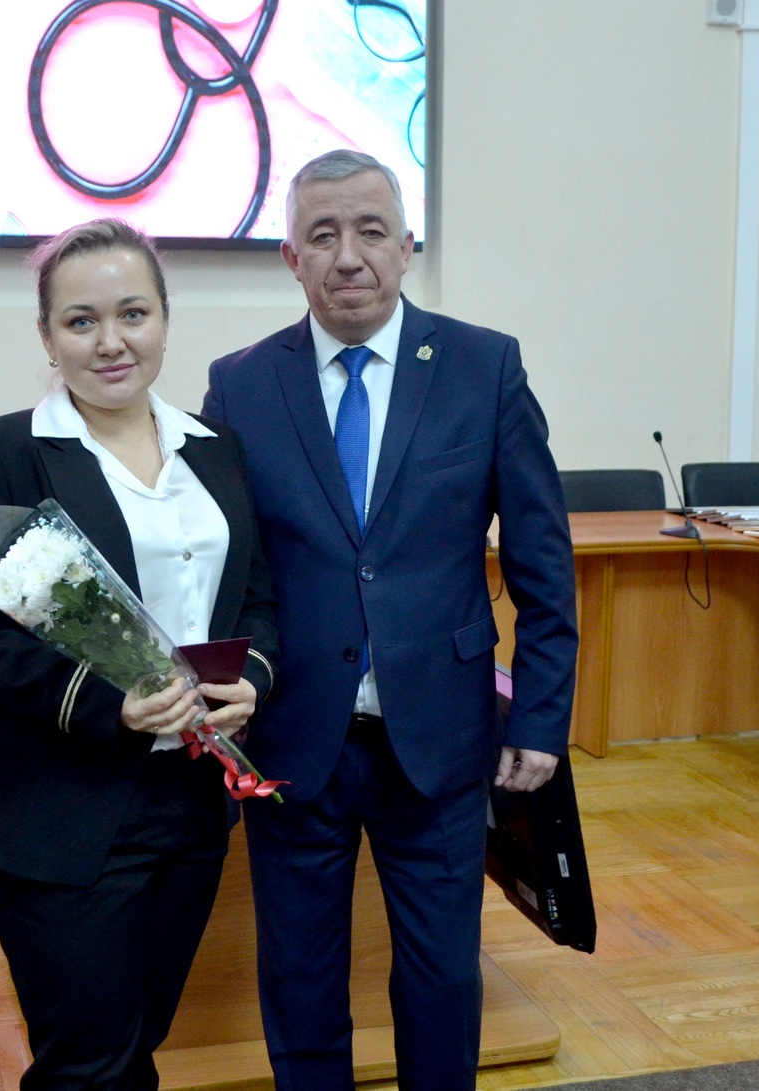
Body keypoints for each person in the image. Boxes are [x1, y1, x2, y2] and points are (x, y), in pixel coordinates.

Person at [202, 150, 578, 1091]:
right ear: (291, 257)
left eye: (371, 230)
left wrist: (541, 717)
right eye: (322, 234)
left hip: (441, 738)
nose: (348, 255)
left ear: (408, 246)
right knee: (300, 978)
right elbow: (223, 570)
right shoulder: (239, 385)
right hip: (295, 740)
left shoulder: (485, 366)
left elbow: (542, 560)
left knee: (443, 979)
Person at [0, 218, 278, 1091]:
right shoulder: (1, 452)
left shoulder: (216, 450)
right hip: (60, 808)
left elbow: (260, 600)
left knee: (137, 1039)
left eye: (132, 314)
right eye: (81, 321)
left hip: (192, 803)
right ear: (48, 336)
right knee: (87, 1063)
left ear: (164, 319)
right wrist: (105, 701)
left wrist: (252, 680)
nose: (111, 341)